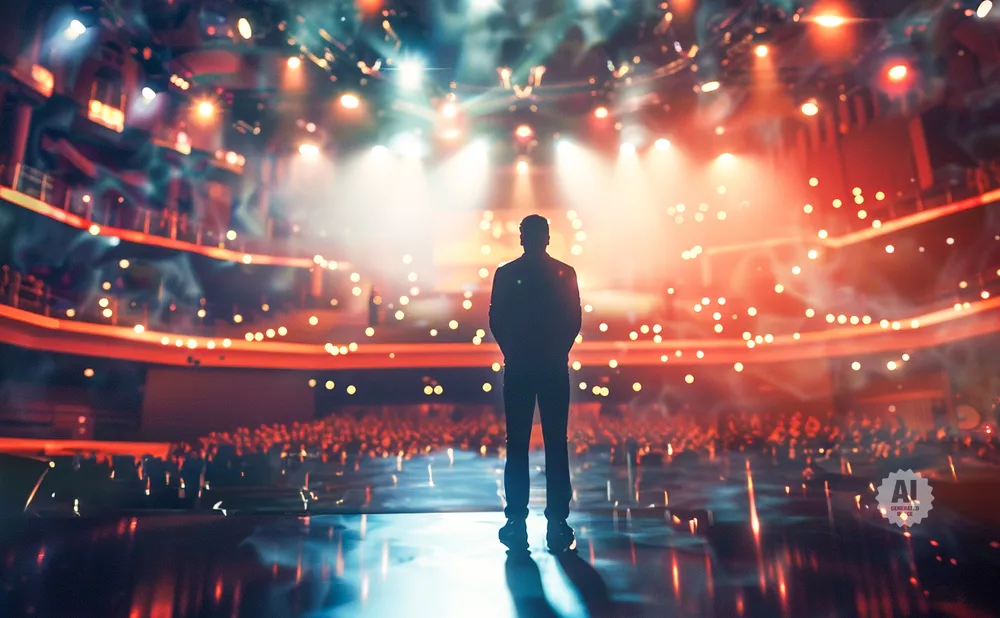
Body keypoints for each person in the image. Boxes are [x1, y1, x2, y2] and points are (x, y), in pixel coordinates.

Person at [489, 214, 582, 552]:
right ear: (547, 238)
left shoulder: (506, 273)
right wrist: (557, 352)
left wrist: (514, 352)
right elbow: (574, 320)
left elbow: (496, 319)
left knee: (517, 445)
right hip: (553, 367)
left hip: (519, 367)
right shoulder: (565, 273)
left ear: (521, 238)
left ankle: (516, 521)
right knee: (557, 444)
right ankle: (558, 522)